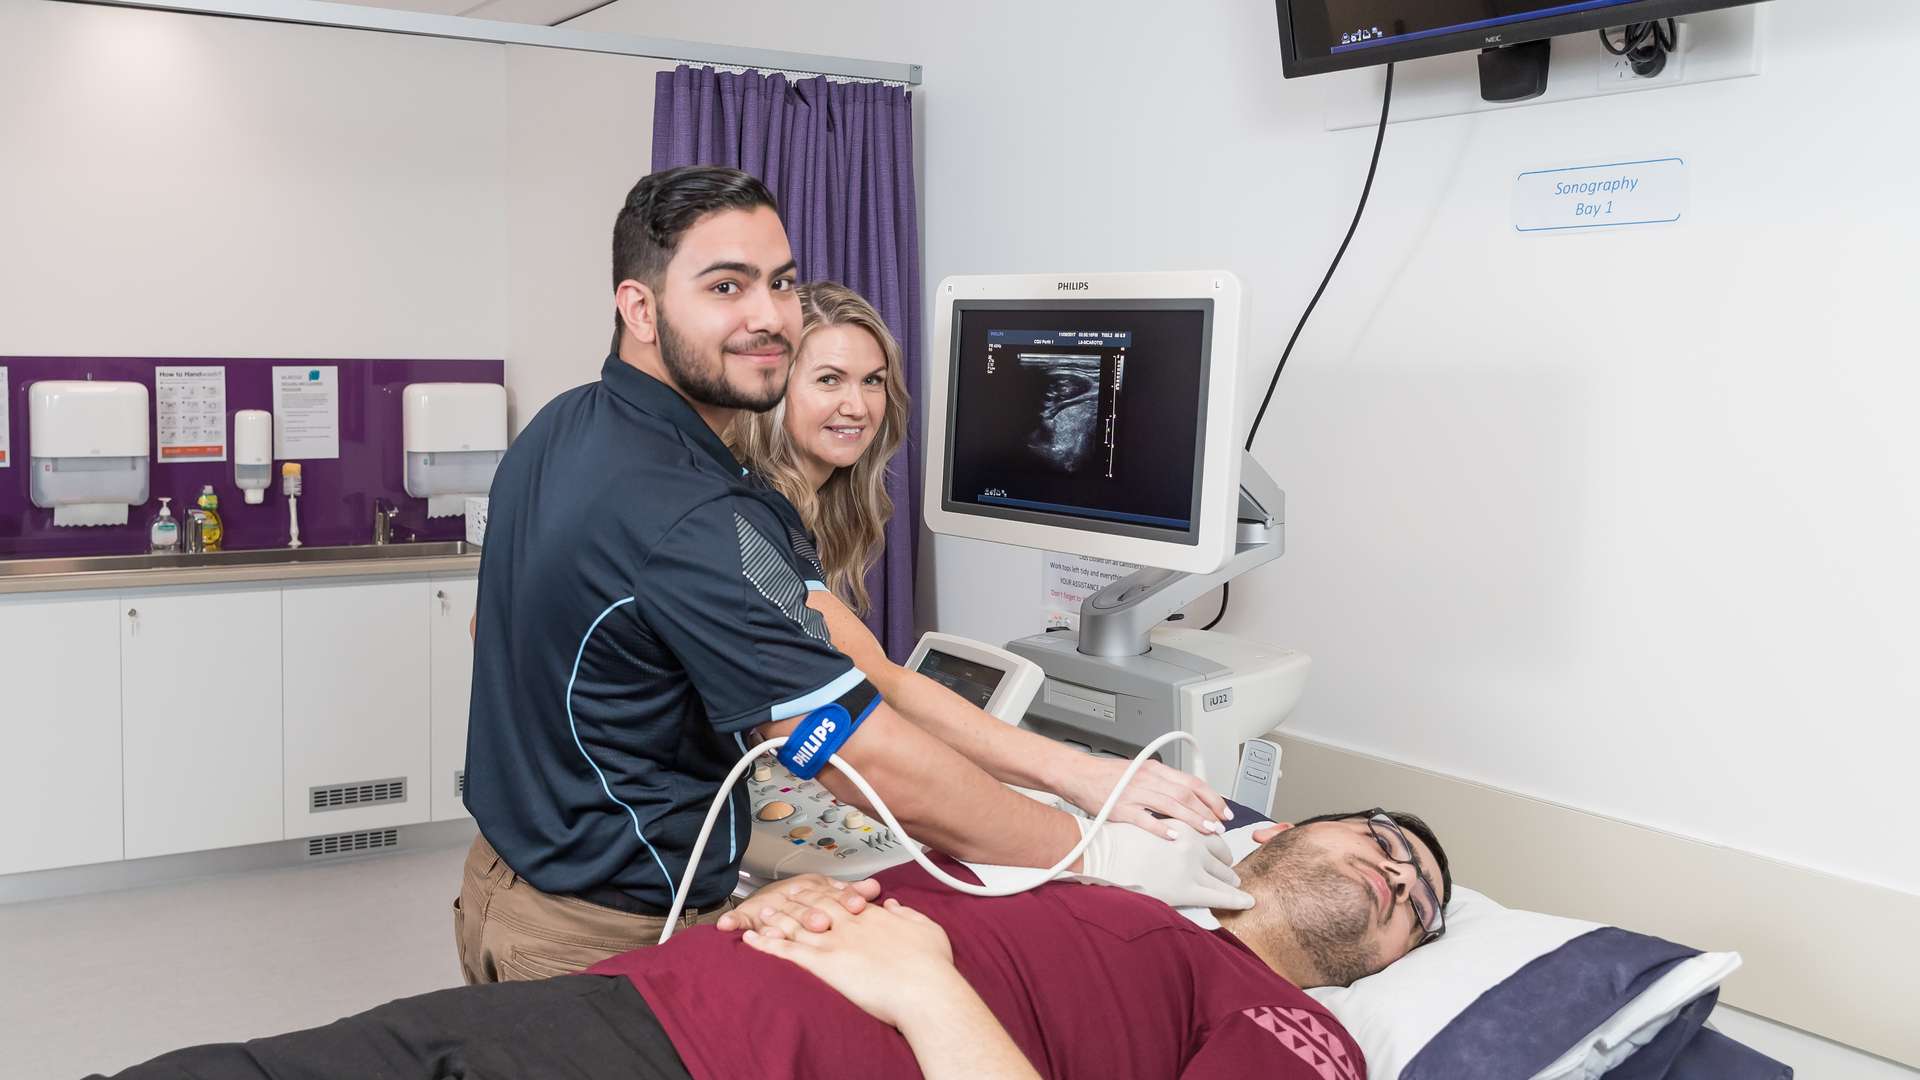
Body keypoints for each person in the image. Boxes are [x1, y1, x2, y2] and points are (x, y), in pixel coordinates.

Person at [457, 165, 1247, 986]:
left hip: (502, 882)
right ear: (641, 308)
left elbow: (494, 630)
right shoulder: (694, 515)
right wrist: (1098, 850)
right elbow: (850, 743)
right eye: (725, 286)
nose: (768, 317)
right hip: (595, 932)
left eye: (781, 282)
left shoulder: (564, 424)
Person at [94, 807, 1451, 1080]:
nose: (1395, 867)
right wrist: (772, 910)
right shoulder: (1113, 895)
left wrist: (923, 990)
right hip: (640, 1001)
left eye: (1416, 891)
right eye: (1378, 839)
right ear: (1267, 842)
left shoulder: (1299, 1031)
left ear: (1392, 957)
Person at [728, 279, 1237, 838]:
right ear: (771, 389)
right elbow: (880, 685)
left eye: (872, 381)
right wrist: (1080, 776)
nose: (857, 406)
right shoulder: (748, 512)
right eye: (829, 380)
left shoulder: (785, 508)